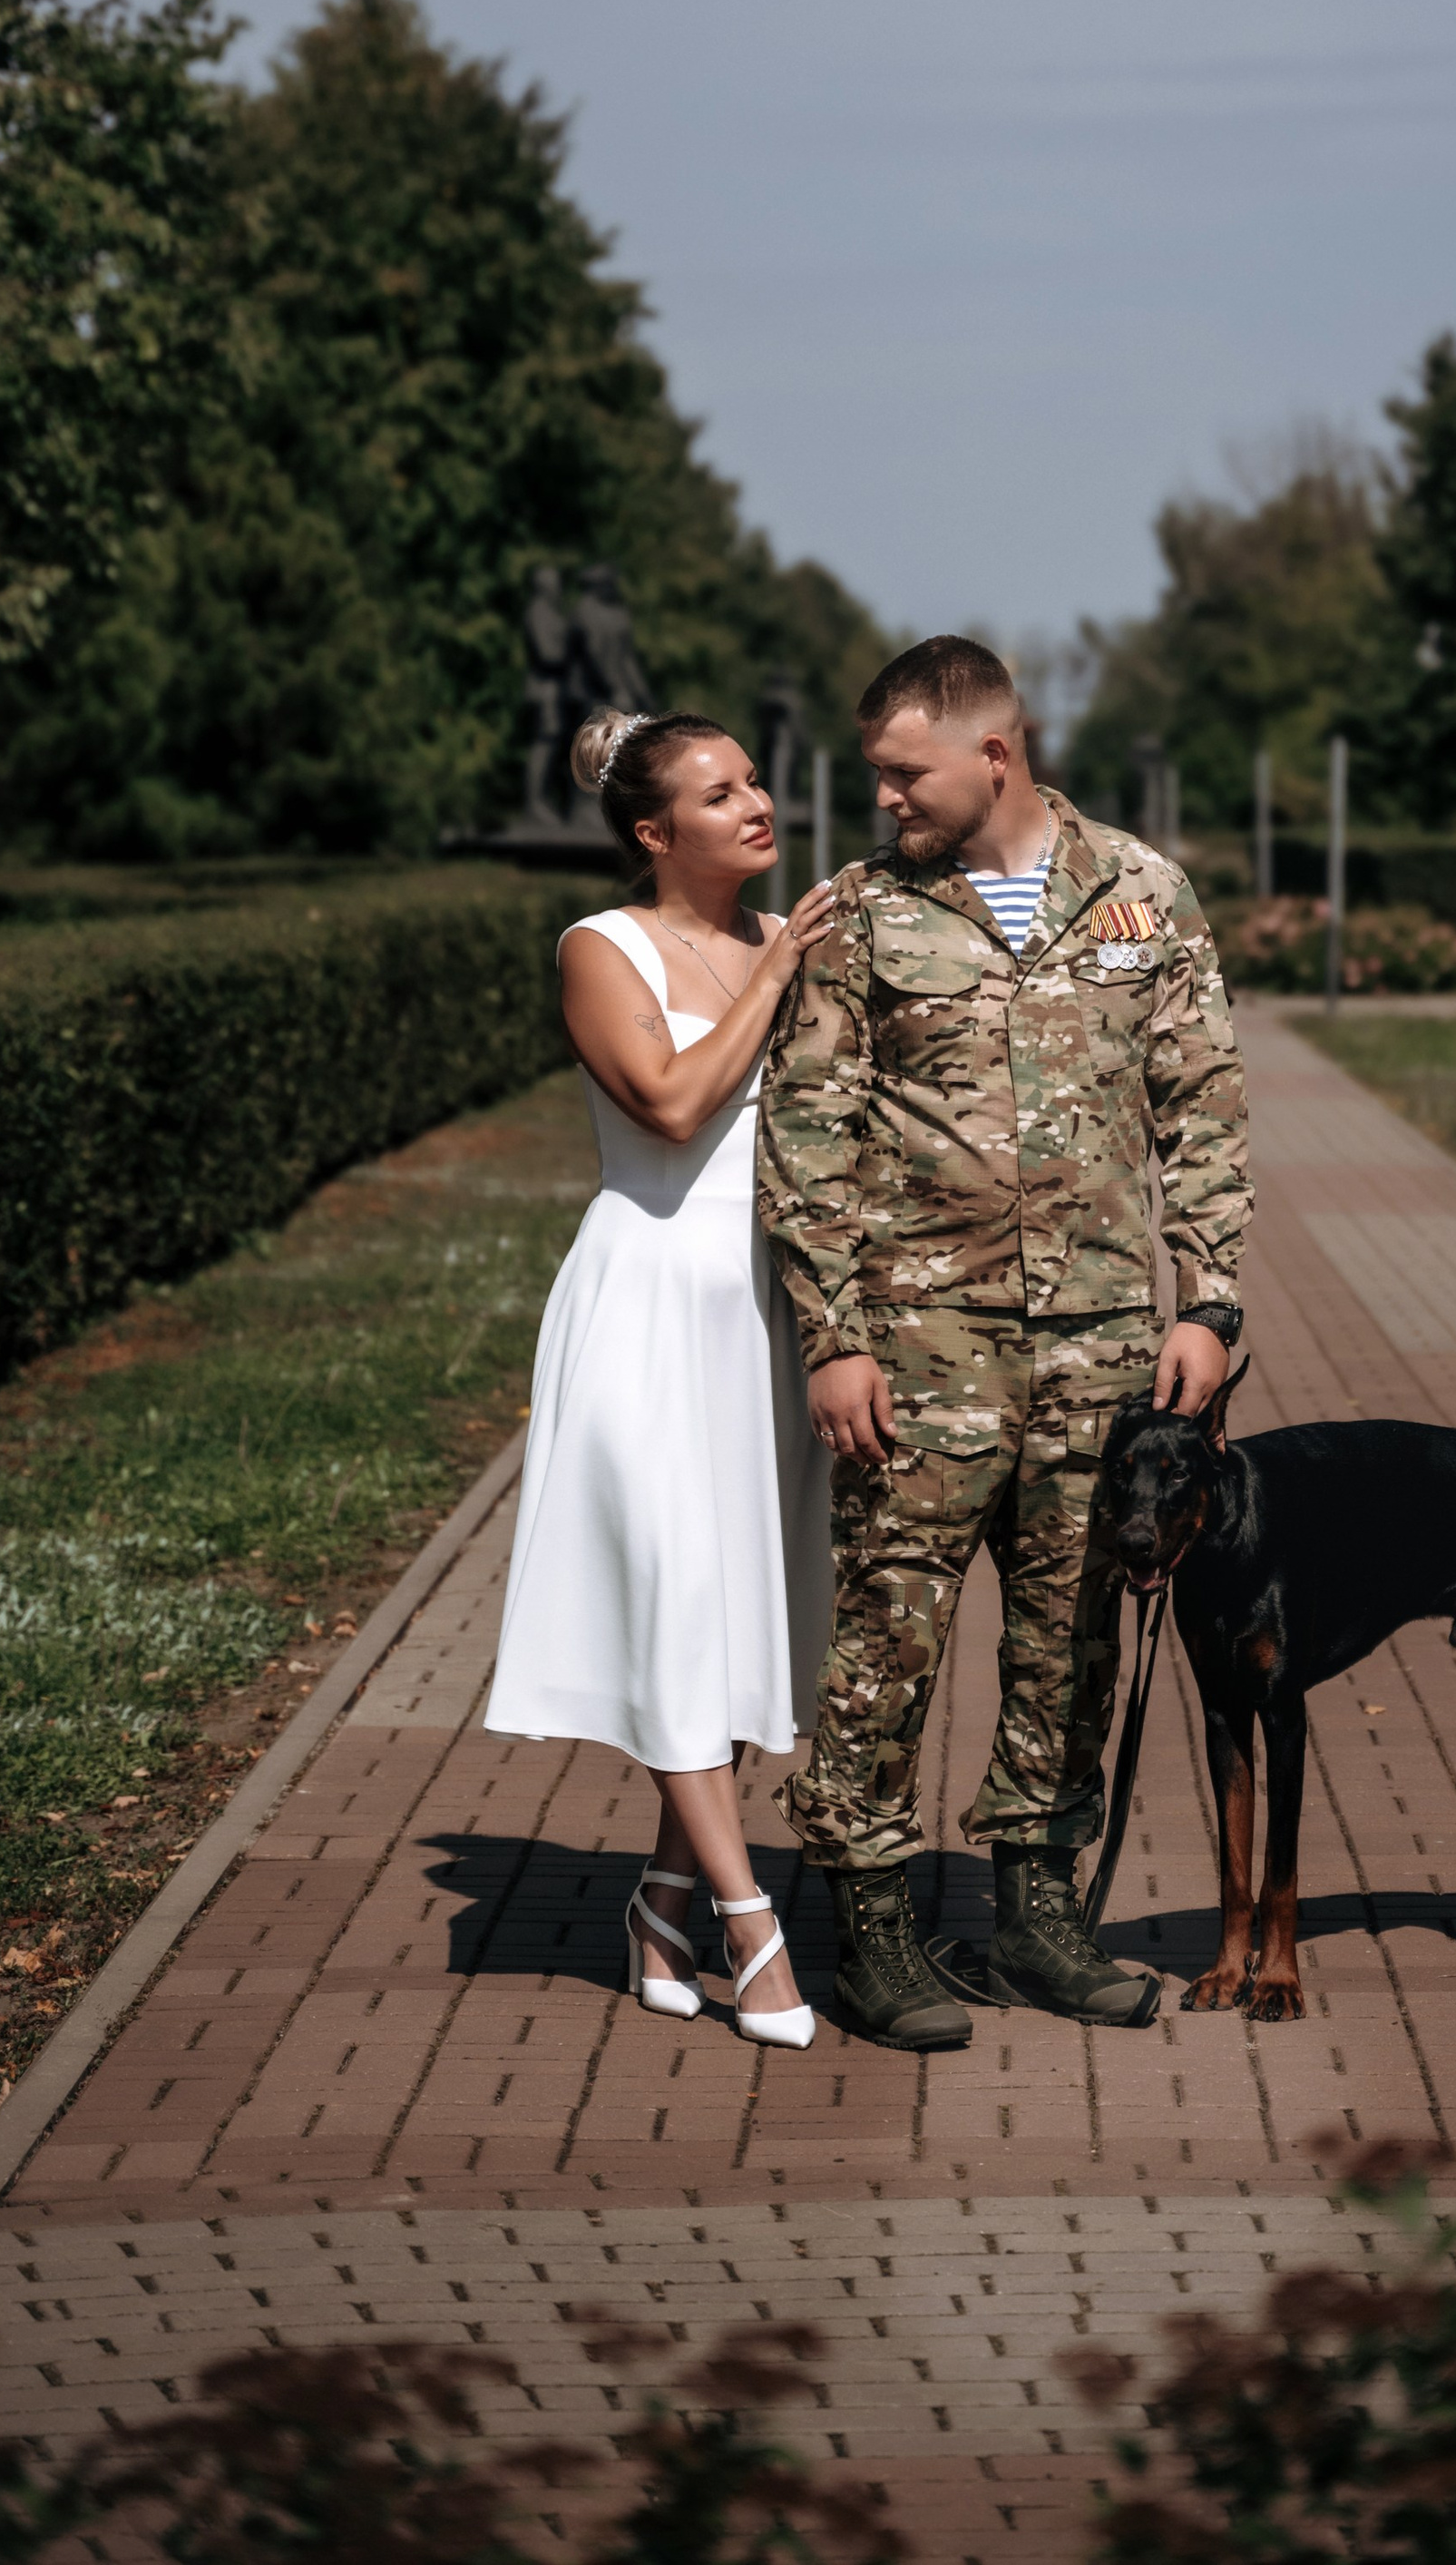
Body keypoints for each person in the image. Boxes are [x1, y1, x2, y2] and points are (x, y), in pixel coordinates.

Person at [757, 636, 1253, 2051]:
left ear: (996, 751)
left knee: (1070, 1641)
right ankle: (871, 1931)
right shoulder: (862, 916)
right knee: (888, 1637)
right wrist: (833, 1338)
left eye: (904, 773)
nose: (885, 799)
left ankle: (1037, 1920)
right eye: (876, 776)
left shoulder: (1142, 894)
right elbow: (809, 1131)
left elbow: (1203, 1107)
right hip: (921, 1350)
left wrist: (1209, 1302)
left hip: (1104, 1347)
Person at [485, 707, 835, 2047]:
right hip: (645, 1303)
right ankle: (754, 1929)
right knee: (681, 1603)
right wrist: (777, 969)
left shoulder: (787, 938)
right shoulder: (602, 948)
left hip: (760, 1316)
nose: (755, 804)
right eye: (718, 793)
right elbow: (676, 1105)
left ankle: (661, 1903)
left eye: (753, 780)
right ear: (653, 831)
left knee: (738, 1620)